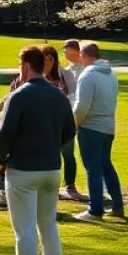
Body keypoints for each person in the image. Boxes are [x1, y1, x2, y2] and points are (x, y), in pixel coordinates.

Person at [0, 46, 76, 255]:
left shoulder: (19, 96)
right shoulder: (59, 95)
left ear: (26, 66)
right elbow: (69, 131)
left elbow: (4, 133)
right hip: (51, 168)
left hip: (23, 168)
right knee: (48, 226)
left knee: (25, 229)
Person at [73, 41, 124, 221]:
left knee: (92, 169)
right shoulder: (111, 75)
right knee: (106, 165)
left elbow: (81, 107)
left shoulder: (87, 76)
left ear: (83, 55)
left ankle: (95, 210)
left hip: (91, 126)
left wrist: (75, 124)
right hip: (108, 126)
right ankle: (117, 204)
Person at [40, 44, 83, 203]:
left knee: (68, 153)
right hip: (45, 123)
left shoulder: (65, 75)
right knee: (50, 156)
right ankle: (52, 187)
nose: (47, 64)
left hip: (64, 120)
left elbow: (73, 96)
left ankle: (70, 186)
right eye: (44, 60)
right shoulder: (38, 77)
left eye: (50, 60)